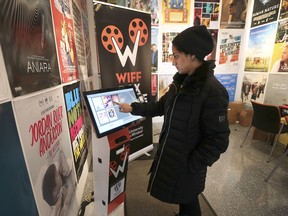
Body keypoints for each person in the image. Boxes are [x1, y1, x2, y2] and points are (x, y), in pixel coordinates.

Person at [114, 25, 230, 216]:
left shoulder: (213, 92)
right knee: (186, 197)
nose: (173, 61)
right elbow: (160, 107)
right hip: (174, 157)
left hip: (188, 163)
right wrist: (133, 108)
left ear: (192, 55)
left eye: (176, 55)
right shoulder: (180, 83)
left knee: (189, 197)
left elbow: (218, 140)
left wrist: (193, 164)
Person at [42, 150, 74, 216]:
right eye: (57, 175)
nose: (58, 175)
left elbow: (61, 154)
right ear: (54, 191)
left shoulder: (63, 186)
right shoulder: (53, 210)